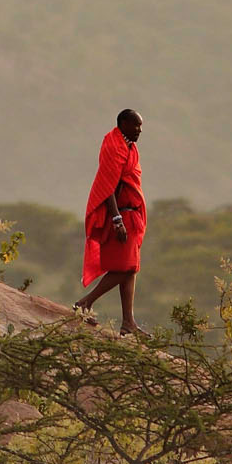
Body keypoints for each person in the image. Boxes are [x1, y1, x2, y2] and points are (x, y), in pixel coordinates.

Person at [74, 109, 147, 334]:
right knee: (124, 268)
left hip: (131, 214)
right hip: (121, 215)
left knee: (131, 268)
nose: (139, 131)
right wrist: (117, 220)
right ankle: (84, 303)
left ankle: (128, 322)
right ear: (123, 123)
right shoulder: (114, 146)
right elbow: (108, 187)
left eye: (141, 127)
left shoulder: (129, 147)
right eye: (136, 126)